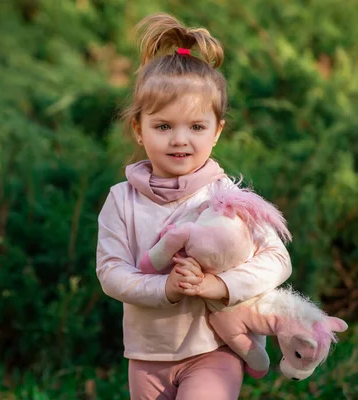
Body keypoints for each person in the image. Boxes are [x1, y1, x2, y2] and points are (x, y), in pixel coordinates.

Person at [96, 13, 292, 400]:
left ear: (217, 131)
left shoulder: (227, 197)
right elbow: (110, 271)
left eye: (196, 127)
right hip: (146, 355)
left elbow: (277, 259)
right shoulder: (122, 199)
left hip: (213, 349)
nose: (179, 140)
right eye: (164, 126)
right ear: (139, 128)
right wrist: (163, 287)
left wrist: (217, 285)